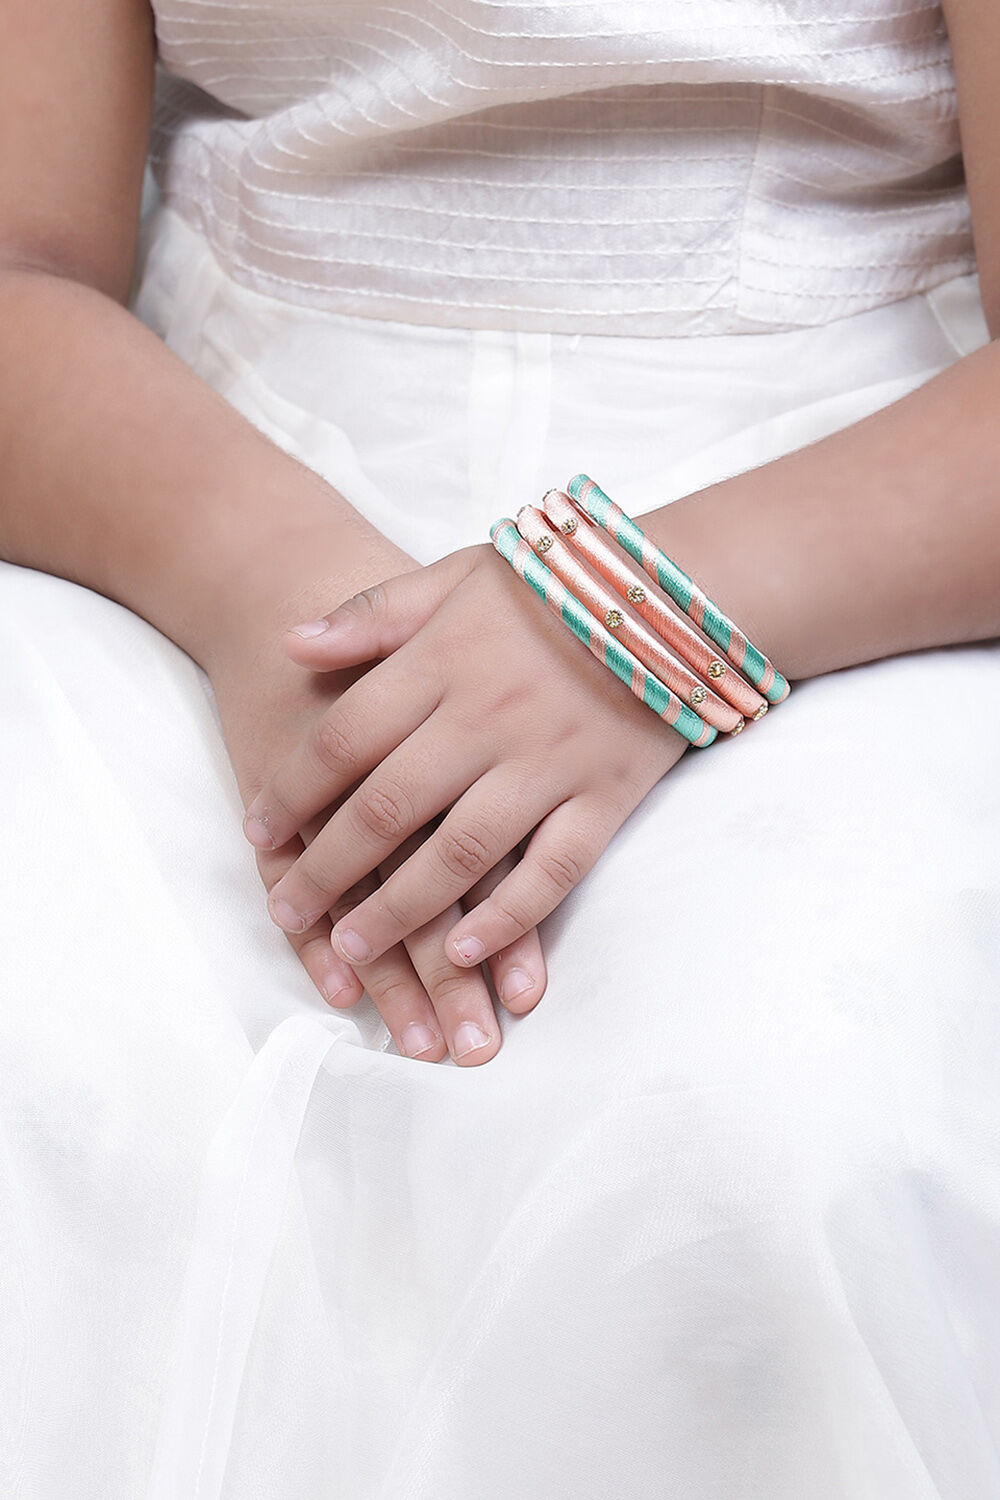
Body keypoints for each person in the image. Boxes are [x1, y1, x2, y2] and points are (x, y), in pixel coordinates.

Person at [2, 0, 998, 1494]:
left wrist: (616, 625)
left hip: (845, 530)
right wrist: (279, 602)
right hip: (172, 490)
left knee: (759, 1140)